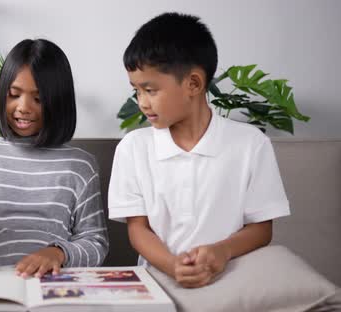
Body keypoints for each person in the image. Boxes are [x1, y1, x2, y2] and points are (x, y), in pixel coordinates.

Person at [108, 12, 290, 288]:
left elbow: (262, 229)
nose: (142, 102)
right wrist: (173, 266)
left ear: (193, 84)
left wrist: (221, 251)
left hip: (233, 281)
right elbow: (138, 229)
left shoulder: (250, 144)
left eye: (150, 90)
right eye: (137, 91)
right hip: (158, 282)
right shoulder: (133, 148)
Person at [0, 38, 109, 277]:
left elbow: (96, 243)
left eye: (39, 99)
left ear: (58, 101)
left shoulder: (80, 166)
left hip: (53, 285)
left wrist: (58, 253)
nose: (23, 107)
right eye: (14, 95)